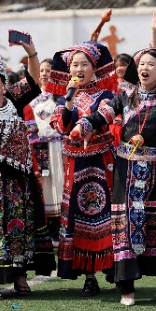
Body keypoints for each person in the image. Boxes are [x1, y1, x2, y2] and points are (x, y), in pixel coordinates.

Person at [70, 48, 156, 306]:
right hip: (125, 171)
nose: (145, 68)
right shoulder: (125, 97)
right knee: (125, 227)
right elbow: (103, 114)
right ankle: (126, 287)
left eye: (152, 65)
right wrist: (82, 126)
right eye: (142, 64)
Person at [0, 48, 55, 299]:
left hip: (21, 177)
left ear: (4, 83)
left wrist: (32, 52)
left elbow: (33, 79)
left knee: (23, 226)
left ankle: (19, 275)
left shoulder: (13, 99)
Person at [47, 41, 116, 296]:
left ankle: (112, 265)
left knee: (109, 213)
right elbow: (60, 126)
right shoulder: (63, 98)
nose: (79, 68)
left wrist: (87, 125)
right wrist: (68, 100)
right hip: (76, 165)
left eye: (84, 64)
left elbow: (107, 119)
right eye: (74, 64)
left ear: (94, 68)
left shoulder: (107, 95)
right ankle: (89, 276)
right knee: (80, 216)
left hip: (103, 161)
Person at [29, 58, 63, 246]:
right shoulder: (32, 98)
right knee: (42, 188)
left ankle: (57, 230)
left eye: (48, 70)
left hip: (57, 147)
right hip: (38, 148)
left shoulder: (60, 97)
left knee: (58, 187)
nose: (44, 73)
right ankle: (43, 230)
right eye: (41, 70)